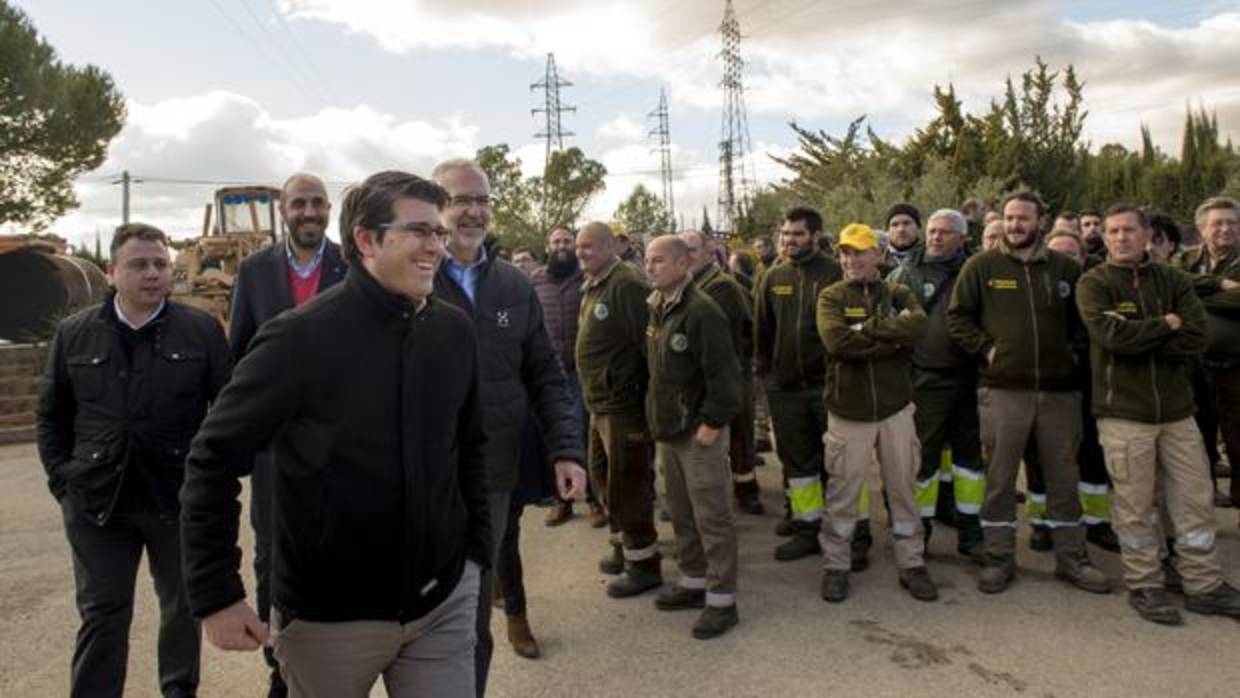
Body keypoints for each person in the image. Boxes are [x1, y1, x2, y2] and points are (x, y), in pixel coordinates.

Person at [181, 171, 490, 698]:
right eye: (419, 231)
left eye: (438, 233)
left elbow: (470, 448)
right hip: (330, 620)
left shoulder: (453, 330)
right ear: (366, 239)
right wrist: (216, 593)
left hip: (442, 603)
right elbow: (211, 458)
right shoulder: (298, 338)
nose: (436, 247)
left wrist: (474, 558)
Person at [37, 222, 230, 698]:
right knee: (103, 613)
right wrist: (64, 481)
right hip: (98, 502)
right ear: (112, 272)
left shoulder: (202, 331)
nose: (153, 274)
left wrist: (210, 482)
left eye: (160, 264)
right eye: (139, 265)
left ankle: (178, 691)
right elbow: (51, 415)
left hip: (175, 497)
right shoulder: (75, 335)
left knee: (182, 607)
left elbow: (227, 414)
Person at [430, 159, 586, 696]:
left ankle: (498, 639)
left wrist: (567, 449)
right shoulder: (410, 279)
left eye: (482, 200)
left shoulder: (513, 285)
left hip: (494, 470)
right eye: (459, 199)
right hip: (423, 475)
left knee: (475, 608)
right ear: (436, 206)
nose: (473, 210)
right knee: (427, 607)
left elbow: (545, 372)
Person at [1077, 203, 1240, 625]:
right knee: (1135, 506)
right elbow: (1111, 337)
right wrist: (1167, 324)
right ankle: (1145, 584)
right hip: (1123, 414)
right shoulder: (1094, 282)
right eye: (1112, 231)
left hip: (1176, 410)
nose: (1119, 238)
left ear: (1147, 234)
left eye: (1128, 230)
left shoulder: (1173, 279)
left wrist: (1149, 333)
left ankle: (1203, 584)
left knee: (1195, 500)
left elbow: (1197, 334)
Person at [947, 191, 1110, 595]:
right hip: (1003, 392)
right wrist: (988, 349)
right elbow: (958, 317)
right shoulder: (980, 267)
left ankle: (1072, 559)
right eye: (1009, 218)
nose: (1016, 225)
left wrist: (1070, 356)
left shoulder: (1063, 269)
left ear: (1041, 221)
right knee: (1001, 480)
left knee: (1063, 477)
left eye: (1024, 218)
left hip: (1059, 394)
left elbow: (1082, 325)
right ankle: (1000, 557)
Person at [227, 172, 346, 698]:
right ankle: (280, 666)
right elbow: (239, 357)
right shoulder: (254, 272)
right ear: (283, 210)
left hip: (345, 443)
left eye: (318, 202)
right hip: (275, 447)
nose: (309, 212)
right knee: (272, 556)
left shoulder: (353, 263)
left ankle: (340, 660)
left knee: (341, 546)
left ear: (329, 209)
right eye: (299, 203)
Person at [816, 223, 937, 603]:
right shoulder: (830, 297)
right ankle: (837, 565)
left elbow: (917, 326)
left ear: (878, 255)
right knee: (843, 492)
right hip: (847, 410)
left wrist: (865, 329)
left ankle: (912, 562)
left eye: (859, 251)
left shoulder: (897, 291)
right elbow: (838, 343)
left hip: (895, 409)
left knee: (903, 488)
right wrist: (890, 338)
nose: (851, 259)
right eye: (845, 252)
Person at [643, 235, 745, 639]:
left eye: (659, 261)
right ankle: (693, 581)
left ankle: (723, 600)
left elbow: (727, 378)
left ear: (684, 265)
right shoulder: (656, 307)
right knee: (681, 512)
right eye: (647, 260)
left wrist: (711, 426)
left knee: (712, 516)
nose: (649, 267)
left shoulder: (702, 311)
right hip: (668, 431)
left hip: (698, 434)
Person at [754, 208, 866, 564]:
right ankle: (807, 528)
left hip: (829, 389)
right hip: (785, 390)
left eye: (797, 234)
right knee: (798, 465)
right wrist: (769, 378)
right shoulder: (773, 277)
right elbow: (762, 332)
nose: (789, 240)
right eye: (785, 234)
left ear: (816, 236)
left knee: (842, 466)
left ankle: (855, 535)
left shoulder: (836, 273)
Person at [887, 209, 985, 562]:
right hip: (925, 379)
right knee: (924, 460)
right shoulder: (905, 273)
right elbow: (889, 324)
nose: (936, 237)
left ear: (962, 238)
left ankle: (972, 533)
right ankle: (920, 532)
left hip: (970, 378)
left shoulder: (975, 271)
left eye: (945, 232)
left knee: (969, 460)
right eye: (932, 231)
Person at [575, 221, 663, 598]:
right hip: (599, 404)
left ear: (611, 247)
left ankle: (644, 564)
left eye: (589, 246)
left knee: (630, 485)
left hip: (625, 406)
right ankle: (621, 544)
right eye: (579, 246)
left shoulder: (626, 284)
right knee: (603, 478)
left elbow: (651, 350)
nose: (581, 252)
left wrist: (648, 403)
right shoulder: (594, 283)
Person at [1029, 229, 1120, 553]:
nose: (1064, 260)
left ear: (1083, 258)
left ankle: (1097, 522)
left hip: (1090, 383)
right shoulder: (1034, 286)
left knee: (1091, 455)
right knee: (1040, 457)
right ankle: (1041, 522)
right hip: (1047, 383)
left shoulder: (1097, 289)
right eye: (1057, 253)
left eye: (1072, 253)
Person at [682, 230, 762, 514]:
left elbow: (740, 334)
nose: (687, 255)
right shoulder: (687, 284)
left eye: (692, 249)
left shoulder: (722, 287)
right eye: (681, 249)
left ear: (709, 250)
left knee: (739, 434)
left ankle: (746, 489)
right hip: (700, 377)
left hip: (729, 373)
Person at [536, 225, 607, 529]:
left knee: (582, 436)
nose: (562, 245)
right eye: (556, 241)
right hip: (549, 372)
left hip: (582, 371)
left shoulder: (587, 280)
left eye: (567, 240)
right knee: (553, 437)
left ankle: (594, 500)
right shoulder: (535, 280)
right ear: (547, 245)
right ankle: (561, 500)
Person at [1174, 197, 1240, 510]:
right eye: (1218, 223)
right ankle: (1204, 500)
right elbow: (1173, 285)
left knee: (1237, 438)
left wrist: (1196, 301)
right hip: (1194, 366)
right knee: (1198, 437)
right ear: (1202, 229)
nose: (1225, 229)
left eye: (1232, 222)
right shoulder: (1186, 260)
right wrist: (1218, 284)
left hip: (1235, 366)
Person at [880, 203, 924, 275]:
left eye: (907, 223)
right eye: (895, 225)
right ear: (887, 230)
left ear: (918, 227)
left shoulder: (930, 259)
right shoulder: (875, 262)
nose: (901, 230)